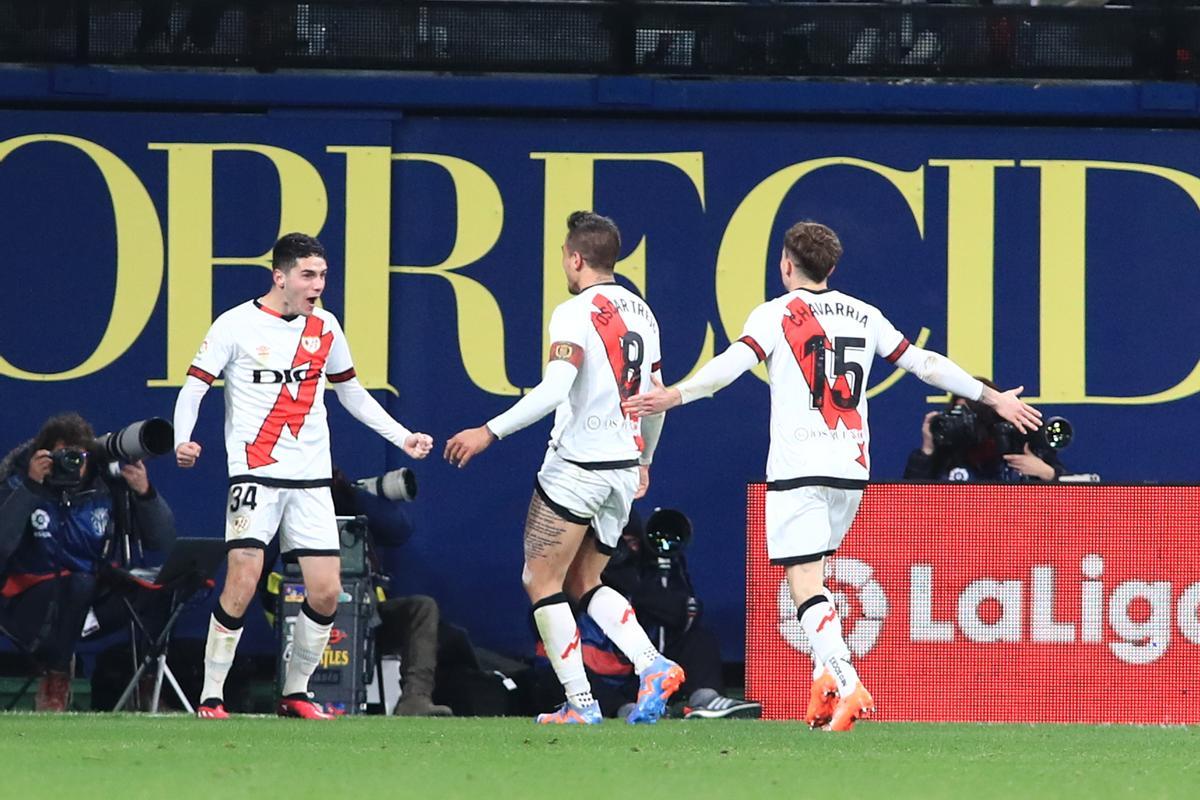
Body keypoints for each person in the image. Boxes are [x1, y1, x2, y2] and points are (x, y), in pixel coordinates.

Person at [624, 220, 1041, 731]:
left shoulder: (776, 314)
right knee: (815, 577)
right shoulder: (864, 314)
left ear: (786, 265)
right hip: (851, 467)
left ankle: (847, 681)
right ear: (833, 268)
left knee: (803, 583)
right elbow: (925, 364)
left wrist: (675, 394)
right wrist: (992, 397)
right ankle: (823, 682)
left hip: (800, 467)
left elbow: (730, 366)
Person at [172, 232, 434, 720]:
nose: (318, 286)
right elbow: (194, 388)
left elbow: (352, 392)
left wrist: (402, 437)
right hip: (255, 474)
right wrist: (182, 439)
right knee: (243, 578)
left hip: (311, 480)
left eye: (323, 276)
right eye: (308, 275)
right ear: (280, 277)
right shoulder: (235, 324)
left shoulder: (325, 327)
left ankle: (296, 694)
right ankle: (211, 695)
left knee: (327, 592)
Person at [444, 211, 681, 725]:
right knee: (584, 579)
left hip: (579, 465)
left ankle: (580, 703)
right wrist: (644, 460)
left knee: (539, 578)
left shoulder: (574, 312)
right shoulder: (643, 313)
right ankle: (652, 663)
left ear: (575, 259)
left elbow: (555, 389)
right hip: (622, 468)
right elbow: (655, 398)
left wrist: (488, 431)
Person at [0, 412, 176, 711]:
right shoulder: (19, 483)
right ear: (43, 456)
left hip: (89, 602)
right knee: (80, 582)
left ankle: (146, 687)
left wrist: (145, 493)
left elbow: (162, 541)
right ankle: (56, 679)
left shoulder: (105, 487)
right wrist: (30, 488)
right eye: (63, 455)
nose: (72, 464)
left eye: (79, 456)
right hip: (30, 605)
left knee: (163, 586)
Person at [532, 508, 761, 720]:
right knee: (550, 667)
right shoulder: (575, 570)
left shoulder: (650, 567)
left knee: (700, 639)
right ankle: (621, 708)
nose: (621, 551)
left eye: (631, 542)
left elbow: (686, 614)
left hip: (641, 672)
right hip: (595, 672)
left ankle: (705, 698)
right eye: (616, 542)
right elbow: (541, 623)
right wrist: (593, 583)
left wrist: (634, 586)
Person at [903, 380, 1064, 482]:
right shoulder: (947, 451)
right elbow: (909, 501)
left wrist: (1048, 473)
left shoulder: (1018, 444)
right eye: (957, 412)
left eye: (966, 413)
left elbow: (1068, 502)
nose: (961, 420)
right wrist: (928, 448)